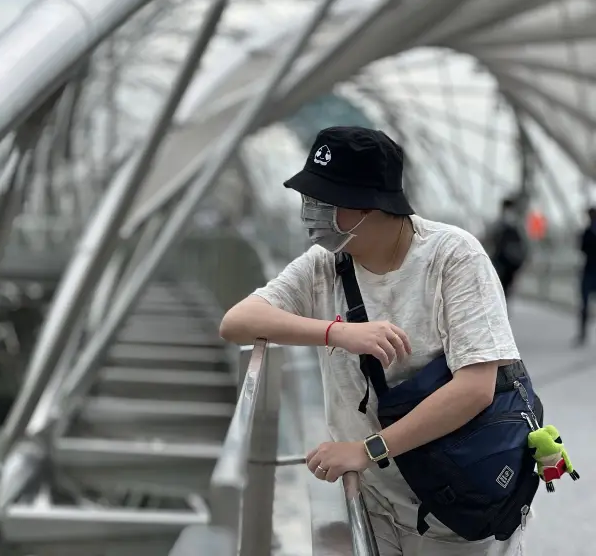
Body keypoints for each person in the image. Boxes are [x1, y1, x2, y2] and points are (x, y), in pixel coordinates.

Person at [220, 126, 525, 555]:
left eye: (326, 202)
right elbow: (238, 321)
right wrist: (337, 332)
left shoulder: (454, 257)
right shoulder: (326, 264)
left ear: (374, 205)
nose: (311, 213)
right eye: (309, 200)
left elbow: (475, 388)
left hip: (458, 508)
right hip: (373, 502)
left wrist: (367, 450)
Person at [485, 198, 529, 303]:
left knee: (501, 289)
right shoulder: (514, 226)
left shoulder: (502, 225)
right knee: (503, 289)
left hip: (504, 263)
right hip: (507, 263)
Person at [577, 206, 596, 346]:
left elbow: (582, 248)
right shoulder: (587, 231)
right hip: (590, 270)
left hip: (589, 270)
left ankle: (582, 333)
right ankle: (582, 333)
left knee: (584, 303)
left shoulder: (587, 232)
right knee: (584, 303)